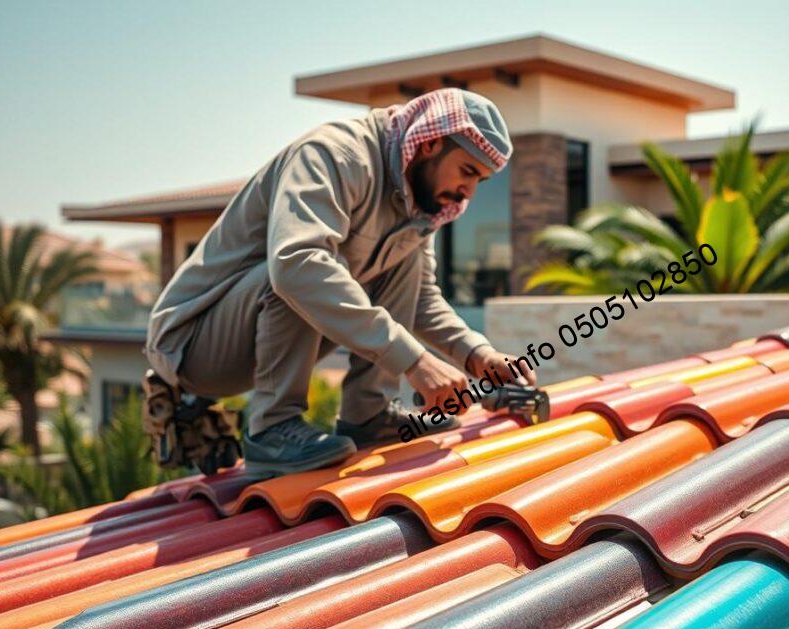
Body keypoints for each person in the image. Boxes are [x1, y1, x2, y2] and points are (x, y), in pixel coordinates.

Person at [144, 88, 536, 476]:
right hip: (193, 345)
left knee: (403, 263)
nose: (468, 192)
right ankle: (272, 428)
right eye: (467, 171)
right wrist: (415, 361)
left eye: (480, 181)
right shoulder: (334, 155)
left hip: (252, 339)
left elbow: (421, 300)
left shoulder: (416, 204)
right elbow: (296, 265)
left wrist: (476, 354)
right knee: (302, 267)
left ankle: (369, 415)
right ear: (431, 142)